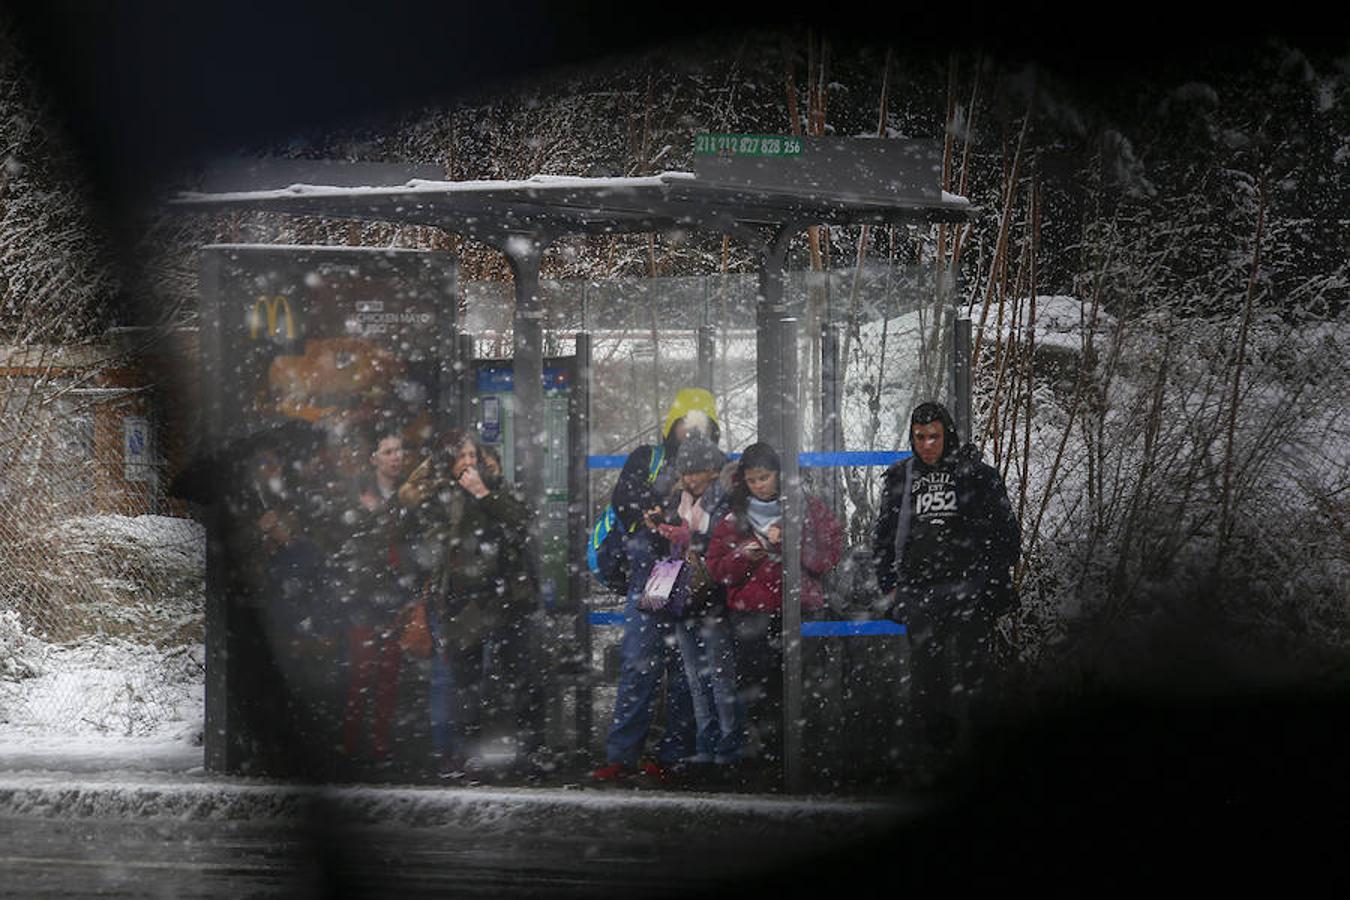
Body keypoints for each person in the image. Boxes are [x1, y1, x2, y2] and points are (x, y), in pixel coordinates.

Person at [872, 401, 1022, 785]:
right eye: (920, 437)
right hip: (920, 593)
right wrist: (891, 587)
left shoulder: (975, 476)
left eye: (934, 436)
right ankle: (937, 760)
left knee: (975, 678)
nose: (927, 445)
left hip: (968, 589)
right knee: (928, 681)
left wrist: (987, 579)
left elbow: (1007, 534)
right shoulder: (900, 479)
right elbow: (884, 539)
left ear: (948, 434)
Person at [591, 388, 720, 782]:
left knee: (687, 668)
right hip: (660, 569)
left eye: (701, 425)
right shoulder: (648, 459)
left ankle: (675, 755)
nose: (691, 432)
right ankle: (623, 755)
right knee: (642, 660)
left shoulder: (721, 466)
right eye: (686, 423)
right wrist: (655, 511)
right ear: (672, 425)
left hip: (696, 573)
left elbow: (729, 510)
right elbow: (624, 499)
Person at [705, 441, 843, 785]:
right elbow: (716, 569)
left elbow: (832, 549)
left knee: (801, 688)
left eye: (764, 477)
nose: (759, 485)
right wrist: (743, 557)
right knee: (758, 690)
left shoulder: (807, 509)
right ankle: (768, 760)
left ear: (780, 476)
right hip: (751, 615)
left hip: (799, 611)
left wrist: (791, 544)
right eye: (751, 479)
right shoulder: (730, 518)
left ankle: (803, 758)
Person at [400, 428, 534, 779]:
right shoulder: (437, 497)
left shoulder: (493, 487)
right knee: (465, 681)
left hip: (503, 598)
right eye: (461, 457)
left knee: (509, 678)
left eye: (473, 456)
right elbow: (435, 548)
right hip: (462, 602)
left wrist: (483, 493)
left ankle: (511, 754)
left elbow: (520, 522)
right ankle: (463, 752)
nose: (469, 463)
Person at [658, 430, 745, 783]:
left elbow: (723, 547)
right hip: (683, 602)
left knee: (721, 679)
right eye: (686, 470)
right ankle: (705, 745)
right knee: (696, 680)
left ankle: (728, 749)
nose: (692, 478)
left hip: (713, 603)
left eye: (698, 470)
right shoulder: (675, 503)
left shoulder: (724, 502)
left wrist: (691, 540)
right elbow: (668, 551)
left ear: (712, 469)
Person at [334, 423, 415, 773]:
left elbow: (412, 544)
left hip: (396, 595)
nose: (396, 458)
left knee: (389, 675)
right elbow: (349, 542)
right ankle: (351, 743)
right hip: (364, 596)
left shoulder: (409, 495)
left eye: (399, 451)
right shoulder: (356, 494)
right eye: (388, 451)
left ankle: (380, 743)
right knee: (361, 673)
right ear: (374, 459)